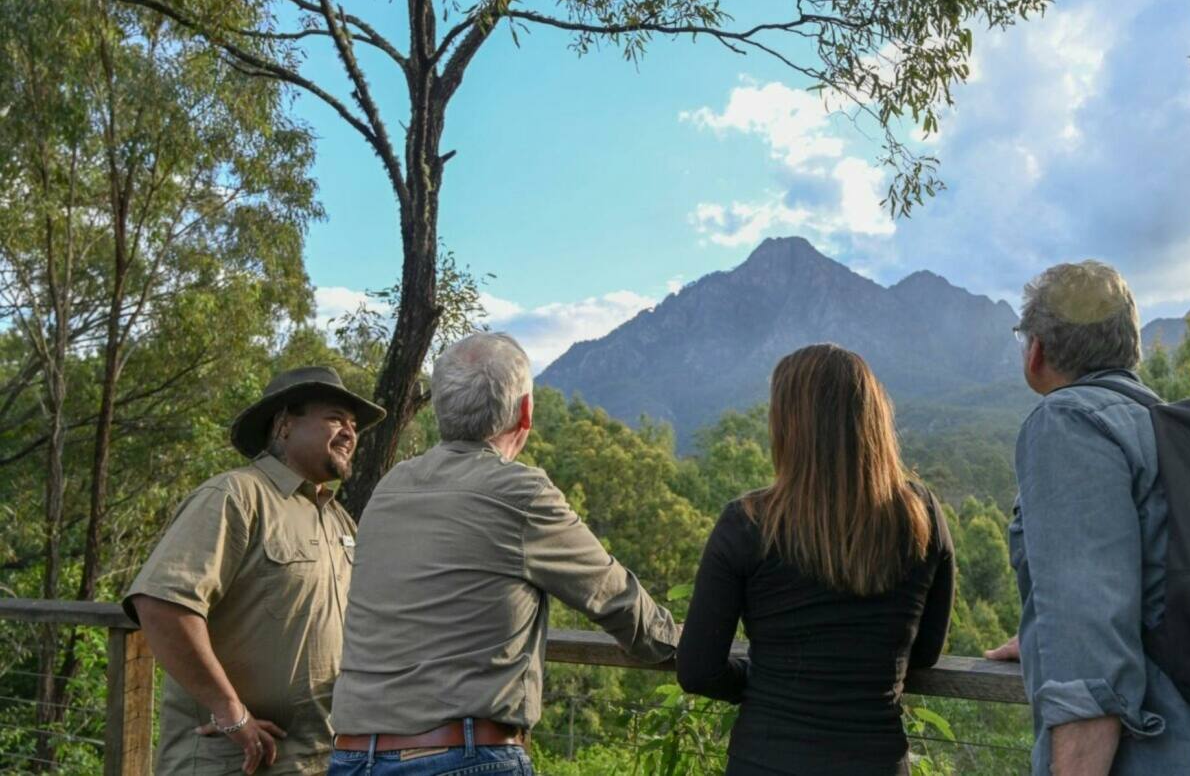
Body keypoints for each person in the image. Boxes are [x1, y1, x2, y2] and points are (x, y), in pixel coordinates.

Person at [327, 332, 678, 776]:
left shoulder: (389, 488)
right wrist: (695, 646)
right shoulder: (520, 492)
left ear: (440, 409)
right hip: (459, 757)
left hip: (353, 758)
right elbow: (618, 601)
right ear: (525, 412)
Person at [985, 261, 1190, 774]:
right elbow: (1153, 592)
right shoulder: (1169, 430)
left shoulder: (1069, 423)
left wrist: (1070, 635)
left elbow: (1090, 656)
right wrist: (1043, 635)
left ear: (1036, 352)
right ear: (1130, 347)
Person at [677, 343, 955, 776]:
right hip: (876, 761)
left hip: (765, 760)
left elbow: (698, 670)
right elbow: (926, 653)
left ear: (788, 426)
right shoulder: (922, 515)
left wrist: (763, 680)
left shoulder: (748, 522)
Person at [122, 366, 385, 775]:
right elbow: (160, 605)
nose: (350, 433)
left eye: (353, 424)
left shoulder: (338, 519)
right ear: (283, 424)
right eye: (335, 418)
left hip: (322, 760)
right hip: (232, 762)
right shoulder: (235, 496)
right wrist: (231, 712)